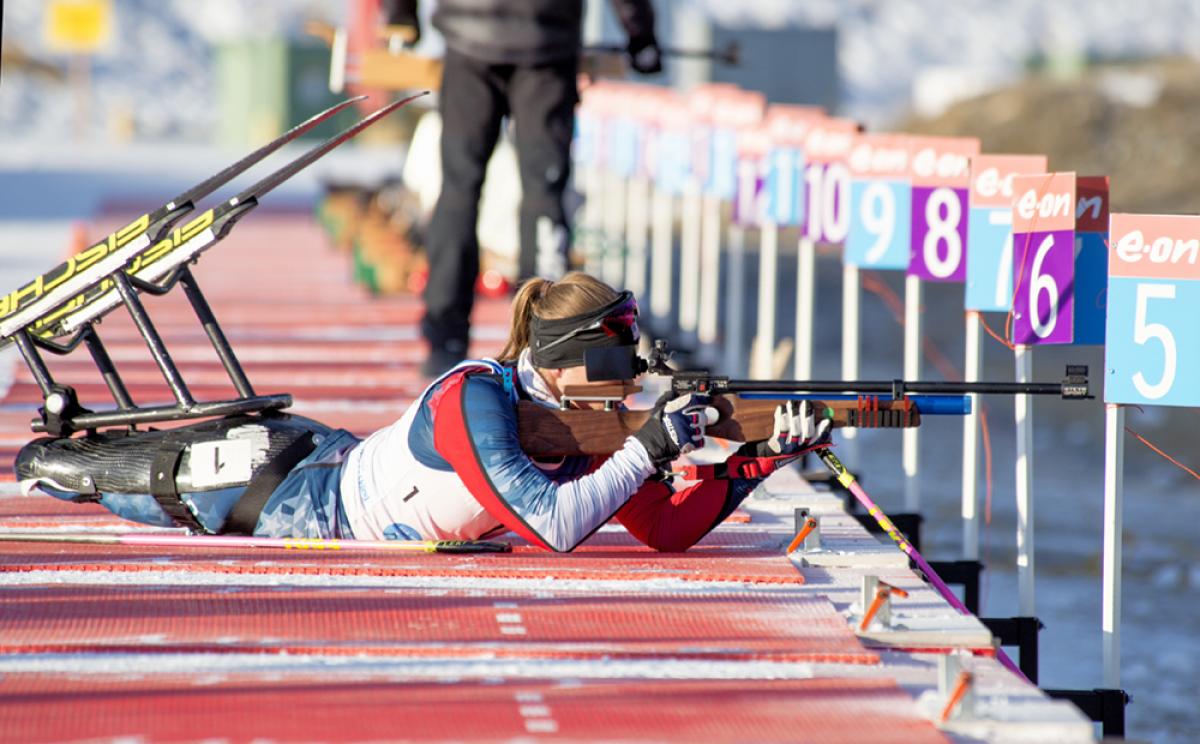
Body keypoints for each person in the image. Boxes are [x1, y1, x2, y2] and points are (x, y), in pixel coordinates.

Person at [24, 273, 830, 552]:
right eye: (616, 356)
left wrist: (762, 459)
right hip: (295, 495)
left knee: (155, 462)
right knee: (117, 476)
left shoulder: (585, 432)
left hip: (331, 454)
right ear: (562, 357)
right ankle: (50, 446)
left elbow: (666, 531)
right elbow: (551, 525)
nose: (631, 376)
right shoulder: (473, 396)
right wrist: (651, 445)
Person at [380, 0, 663, 377]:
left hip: (468, 39)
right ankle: (547, 336)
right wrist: (639, 32)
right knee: (543, 192)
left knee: (458, 191)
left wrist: (402, 16)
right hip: (545, 39)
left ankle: (445, 338)